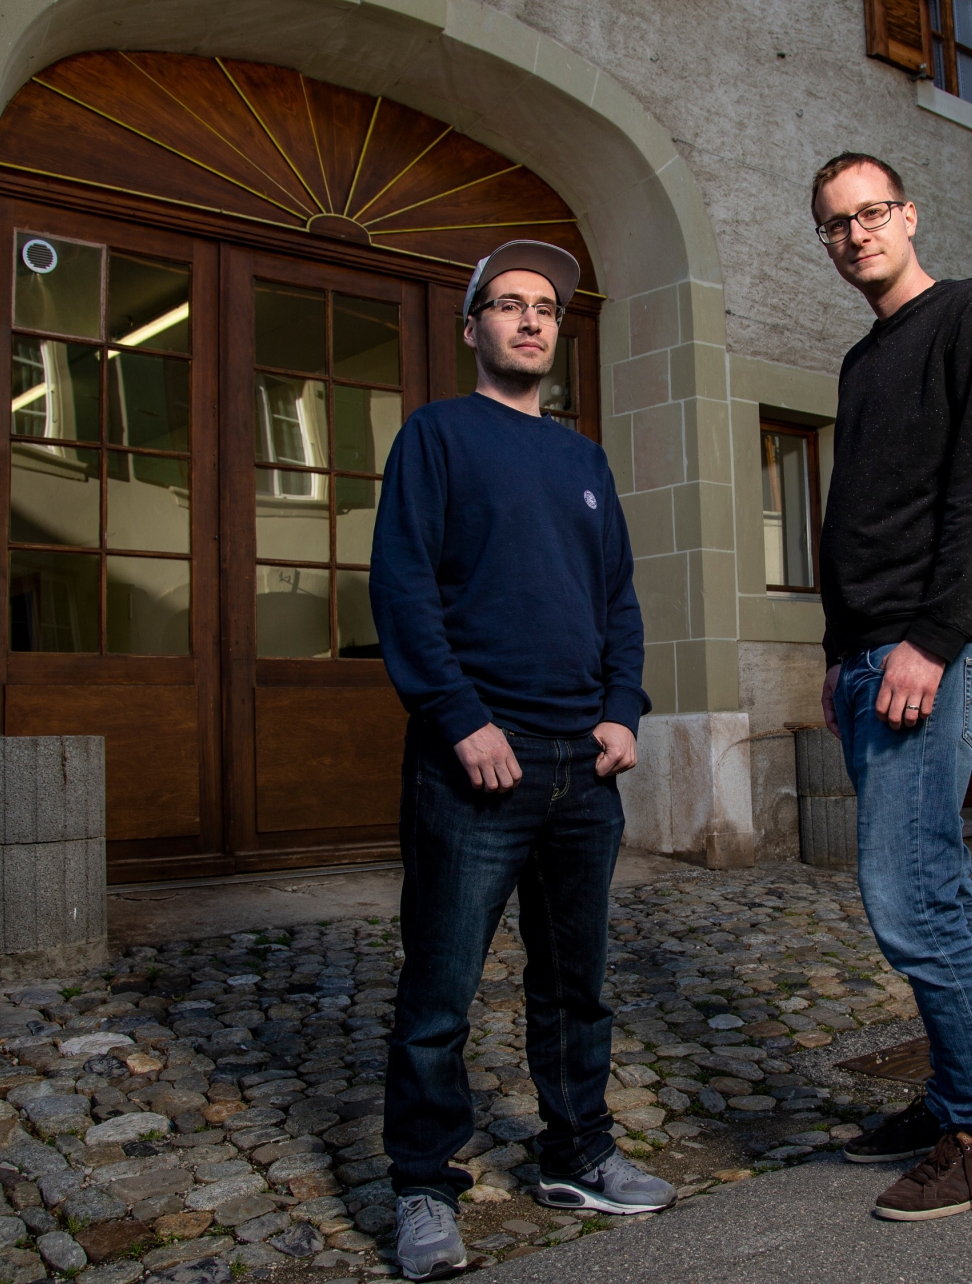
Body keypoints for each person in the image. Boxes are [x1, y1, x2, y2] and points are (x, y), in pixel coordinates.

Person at [369, 239, 676, 1280]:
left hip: (580, 769)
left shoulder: (582, 460)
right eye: (506, 305)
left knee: (574, 982)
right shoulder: (437, 437)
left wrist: (622, 709)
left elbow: (618, 601)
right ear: (473, 330)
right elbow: (403, 588)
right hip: (477, 765)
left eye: (544, 306)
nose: (530, 320)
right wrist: (461, 718)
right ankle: (421, 1182)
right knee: (440, 989)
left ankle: (575, 1152)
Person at [810, 153, 972, 1220]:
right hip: (866, 656)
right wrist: (834, 648)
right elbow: (857, 504)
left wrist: (929, 642)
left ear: (908, 212)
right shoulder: (862, 360)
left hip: (922, 653)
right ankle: (952, 1097)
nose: (855, 235)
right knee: (921, 879)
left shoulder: (969, 316)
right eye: (835, 226)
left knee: (912, 892)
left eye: (870, 213)